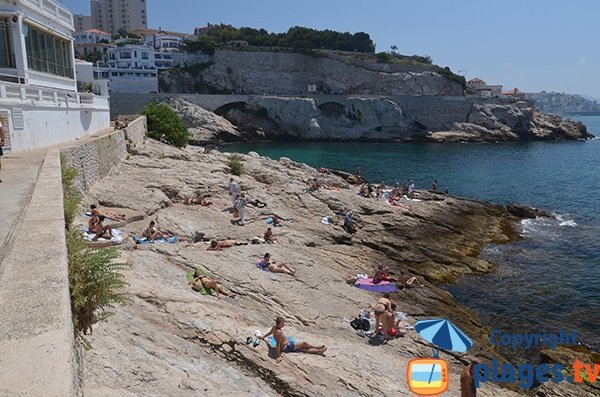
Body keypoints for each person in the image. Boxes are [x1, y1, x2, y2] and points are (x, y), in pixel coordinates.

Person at [258, 317, 327, 361]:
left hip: (287, 345)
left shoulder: (274, 327)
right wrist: (278, 356)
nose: (283, 324)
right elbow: (278, 344)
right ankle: (317, 347)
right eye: (282, 323)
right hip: (286, 347)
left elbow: (270, 333)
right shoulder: (278, 332)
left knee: (303, 349)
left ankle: (318, 352)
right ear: (279, 324)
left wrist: (263, 337)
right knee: (304, 343)